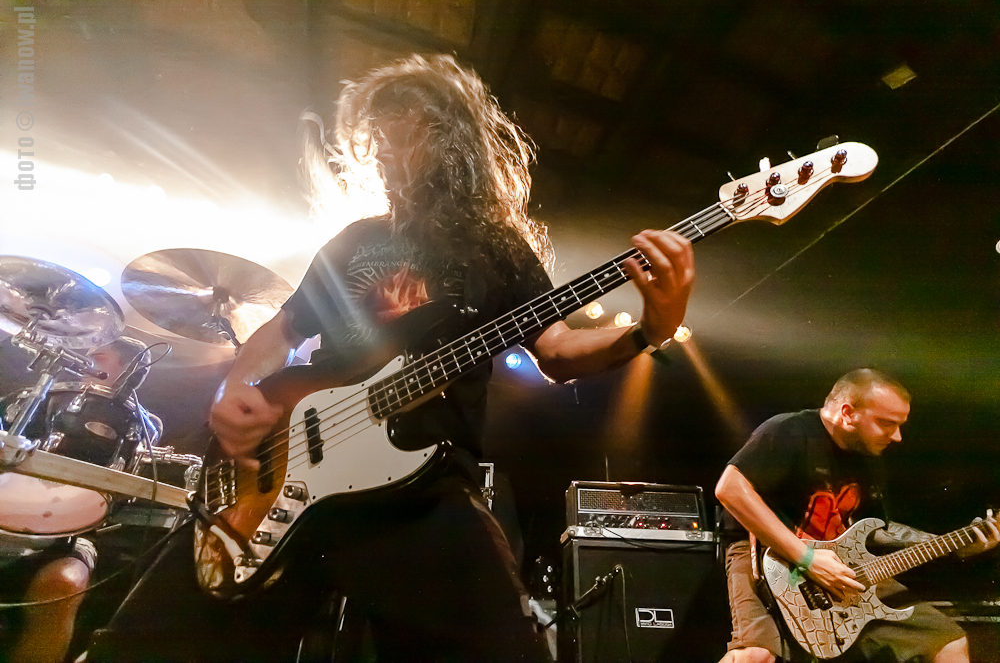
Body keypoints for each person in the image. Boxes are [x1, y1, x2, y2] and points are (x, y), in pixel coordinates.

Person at [88, 54, 694, 662]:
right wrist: (233, 389)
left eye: (401, 130)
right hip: (292, 468)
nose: (381, 147)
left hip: (421, 492)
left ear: (448, 139)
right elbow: (282, 329)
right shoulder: (356, 239)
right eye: (377, 133)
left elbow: (557, 349)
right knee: (149, 645)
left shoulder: (495, 248)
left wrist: (648, 331)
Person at [715, 368, 1000, 663]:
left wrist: (953, 545)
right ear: (848, 413)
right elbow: (729, 489)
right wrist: (807, 558)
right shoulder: (790, 431)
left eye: (900, 425)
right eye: (886, 424)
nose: (897, 436)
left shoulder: (867, 456)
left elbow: (878, 530)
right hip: (766, 555)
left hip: (842, 565)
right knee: (755, 656)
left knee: (948, 642)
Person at [0, 336, 152, 663]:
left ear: (129, 371)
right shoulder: (36, 396)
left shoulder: (141, 424)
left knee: (63, 584)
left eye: (99, 356)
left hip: (75, 532)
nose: (84, 359)